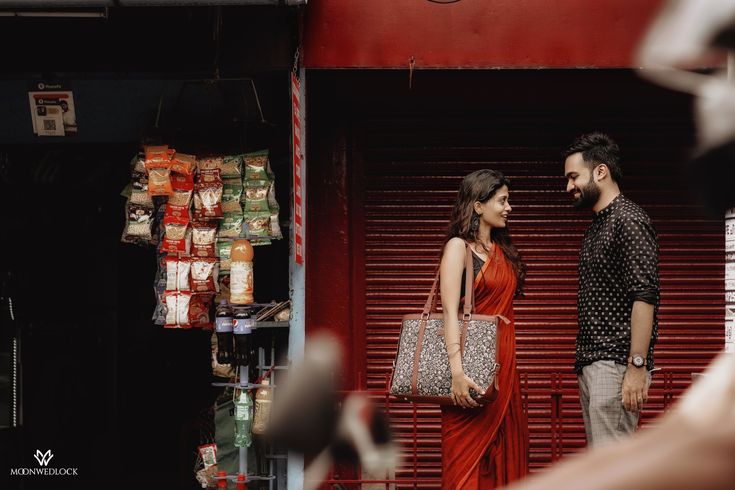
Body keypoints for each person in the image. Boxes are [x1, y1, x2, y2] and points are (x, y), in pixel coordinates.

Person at [562, 132, 659, 447]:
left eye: (574, 176)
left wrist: (636, 366)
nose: (569, 187)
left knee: (612, 466)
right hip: (592, 362)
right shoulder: (598, 226)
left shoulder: (628, 220)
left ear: (600, 171)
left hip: (615, 364)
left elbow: (644, 296)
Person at [439, 169, 528, 488]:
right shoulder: (457, 248)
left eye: (508, 201)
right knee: (464, 470)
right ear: (478, 206)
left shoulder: (503, 252)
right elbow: (449, 313)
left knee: (506, 461)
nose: (509, 208)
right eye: (502, 201)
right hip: (469, 375)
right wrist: (457, 373)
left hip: (505, 375)